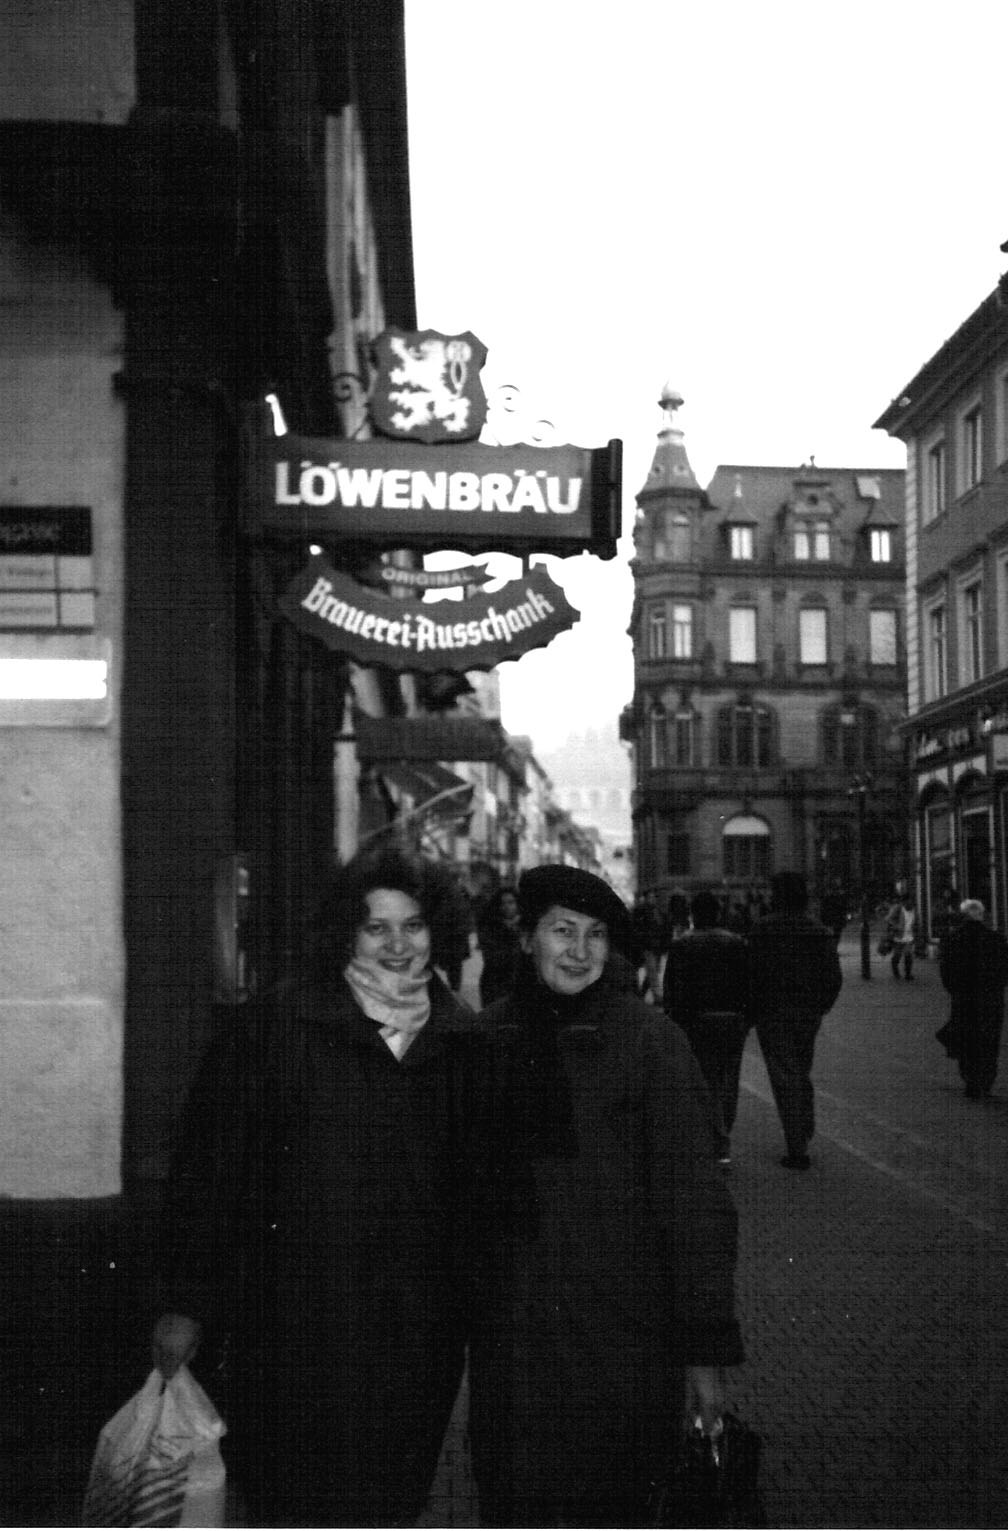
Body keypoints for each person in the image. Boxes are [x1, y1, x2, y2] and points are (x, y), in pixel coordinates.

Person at [151, 843, 506, 1528]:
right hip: (294, 1330)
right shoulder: (277, 1026)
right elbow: (211, 1172)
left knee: (390, 1503)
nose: (398, 945)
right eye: (377, 927)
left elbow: (482, 1197)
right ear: (348, 932)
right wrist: (186, 1302)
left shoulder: (465, 1044)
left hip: (415, 1338)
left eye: (413, 925)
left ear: (436, 931)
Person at [471, 865, 744, 1528]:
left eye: (595, 935)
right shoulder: (485, 1040)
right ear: (528, 938)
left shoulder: (651, 1043)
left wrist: (705, 1350)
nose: (579, 950)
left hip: (623, 1343)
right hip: (514, 1350)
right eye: (562, 930)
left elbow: (696, 1205)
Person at [750, 870, 842, 1170]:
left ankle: (797, 1145)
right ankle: (804, 1121)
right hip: (807, 1012)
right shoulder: (818, 930)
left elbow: (751, 972)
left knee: (784, 1075)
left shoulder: (763, 929)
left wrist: (752, 1008)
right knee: (800, 1067)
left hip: (772, 1011)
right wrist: (821, 1006)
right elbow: (833, 975)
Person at [662, 888, 752, 1166]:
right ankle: (722, 1134)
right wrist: (746, 1019)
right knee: (728, 1080)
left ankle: (715, 1140)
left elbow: (672, 990)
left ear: (693, 915)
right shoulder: (736, 943)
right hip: (732, 1019)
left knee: (704, 1080)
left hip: (696, 1021)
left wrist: (675, 1023)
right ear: (718, 913)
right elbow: (749, 983)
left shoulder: (682, 945)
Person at [937, 898, 1008, 1098]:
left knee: (966, 1037)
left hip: (963, 998)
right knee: (989, 1040)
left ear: (963, 915)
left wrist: (955, 990)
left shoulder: (952, 939)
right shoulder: (996, 939)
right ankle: (986, 1080)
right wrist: (996, 987)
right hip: (991, 999)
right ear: (981, 915)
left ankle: (970, 1079)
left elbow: (945, 971)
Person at [476, 884, 524, 1005]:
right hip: (495, 985)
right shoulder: (490, 927)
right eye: (503, 903)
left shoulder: (526, 927)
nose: (507, 907)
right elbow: (492, 958)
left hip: (520, 986)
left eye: (511, 902)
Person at [886, 891, 917, 979]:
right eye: (908, 901)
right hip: (898, 937)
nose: (910, 903)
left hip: (909, 937)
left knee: (908, 954)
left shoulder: (914, 910)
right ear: (904, 901)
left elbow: (915, 922)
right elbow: (888, 919)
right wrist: (896, 926)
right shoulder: (898, 908)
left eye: (911, 901)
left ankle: (908, 974)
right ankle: (895, 971)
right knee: (897, 955)